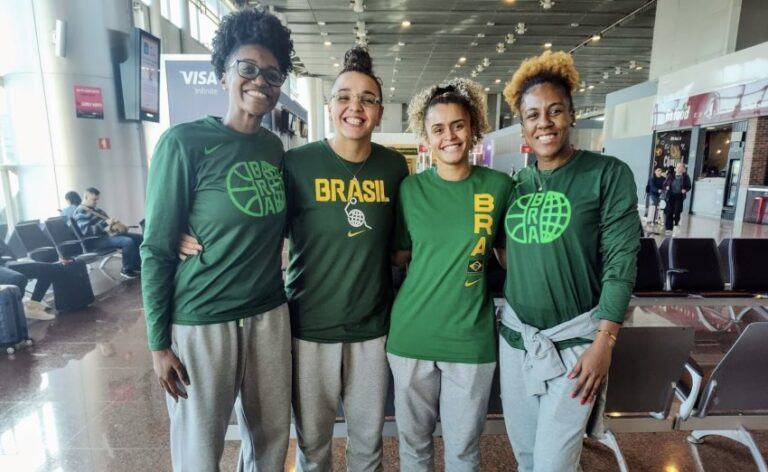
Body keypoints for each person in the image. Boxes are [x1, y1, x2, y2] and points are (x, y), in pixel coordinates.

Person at [140, 8, 294, 471]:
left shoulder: (272, 148)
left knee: (270, 438)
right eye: (248, 68)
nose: (260, 81)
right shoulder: (183, 142)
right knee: (198, 446)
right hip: (202, 320)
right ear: (224, 73)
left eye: (272, 73)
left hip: (268, 314)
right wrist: (158, 343)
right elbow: (157, 247)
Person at [499, 50, 640, 471]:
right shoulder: (515, 185)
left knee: (553, 464)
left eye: (554, 110)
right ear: (522, 125)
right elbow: (507, 255)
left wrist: (605, 340)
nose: (544, 122)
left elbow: (621, 260)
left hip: (578, 346)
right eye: (533, 114)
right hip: (517, 341)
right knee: (527, 458)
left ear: (572, 115)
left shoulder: (607, 175)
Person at [285, 47, 409, 471]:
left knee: (367, 443)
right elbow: (259, 225)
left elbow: (400, 249)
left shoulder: (394, 168)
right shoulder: (297, 163)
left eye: (367, 99)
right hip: (309, 328)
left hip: (371, 330)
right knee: (313, 445)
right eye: (343, 96)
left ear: (379, 111)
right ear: (329, 105)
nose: (354, 106)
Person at [387, 78, 513, 470]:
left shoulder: (499, 187)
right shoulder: (410, 190)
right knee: (414, 447)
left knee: (463, 451)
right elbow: (399, 256)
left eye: (458, 125)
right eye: (438, 128)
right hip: (411, 337)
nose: (450, 136)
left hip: (470, 342)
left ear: (473, 127)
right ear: (426, 138)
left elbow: (511, 258)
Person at [73, 187, 143, 278]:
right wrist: (104, 224)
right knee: (127, 241)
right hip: (95, 240)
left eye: (97, 199)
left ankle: (135, 265)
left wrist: (114, 225)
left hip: (106, 235)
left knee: (139, 238)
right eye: (94, 199)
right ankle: (126, 269)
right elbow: (86, 231)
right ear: (85, 197)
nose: (96, 202)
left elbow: (107, 225)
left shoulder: (97, 210)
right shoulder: (80, 212)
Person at [663, 162, 692, 233]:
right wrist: (666, 187)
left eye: (680, 167)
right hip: (671, 195)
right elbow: (664, 184)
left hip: (679, 196)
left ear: (683, 169)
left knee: (677, 211)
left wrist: (685, 190)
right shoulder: (670, 175)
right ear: (675, 168)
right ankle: (669, 228)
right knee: (669, 212)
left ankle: (676, 222)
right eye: (677, 167)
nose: (678, 169)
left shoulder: (685, 177)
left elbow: (689, 186)